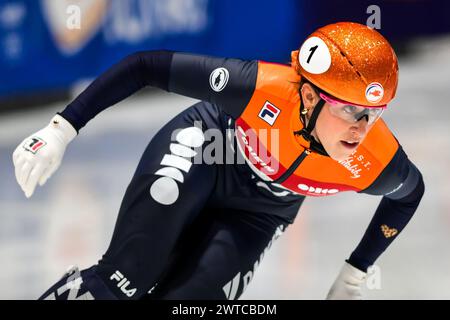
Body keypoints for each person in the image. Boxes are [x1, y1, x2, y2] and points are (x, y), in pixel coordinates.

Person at [12, 21, 424, 300]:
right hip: (206, 150)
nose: (363, 128)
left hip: (262, 210)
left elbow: (409, 194)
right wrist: (60, 129)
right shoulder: (261, 87)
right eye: (351, 110)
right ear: (311, 96)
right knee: (122, 282)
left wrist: (357, 269)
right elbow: (145, 67)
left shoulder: (377, 160)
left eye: (376, 113)